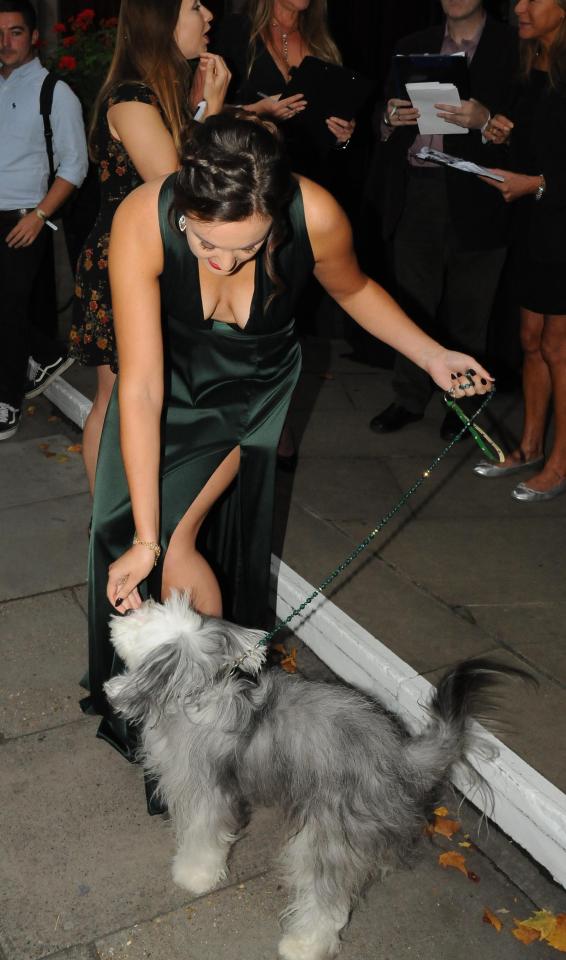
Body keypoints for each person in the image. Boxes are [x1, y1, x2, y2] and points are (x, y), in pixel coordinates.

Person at [84, 111, 492, 772]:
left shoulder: (318, 215)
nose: (221, 261)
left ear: (275, 213)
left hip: (251, 393)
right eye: (205, 242)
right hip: (170, 378)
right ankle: (149, 697)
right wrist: (139, 537)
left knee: (177, 538)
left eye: (244, 248)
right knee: (118, 524)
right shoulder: (142, 219)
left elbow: (354, 288)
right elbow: (141, 388)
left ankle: (206, 730)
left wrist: (432, 355)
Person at [68, 0, 230, 493]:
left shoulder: (158, 96)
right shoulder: (132, 98)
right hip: (124, 263)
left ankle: (137, 510)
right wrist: (215, 111)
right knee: (118, 396)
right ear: (160, 20)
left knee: (145, 393)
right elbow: (178, 187)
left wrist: (204, 108)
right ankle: (108, 524)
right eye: (195, 7)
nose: (208, 18)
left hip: (153, 261)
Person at [368, 0, 518, 441]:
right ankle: (409, 397)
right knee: (412, 302)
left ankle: (465, 404)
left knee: (472, 309)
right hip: (419, 188)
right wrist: (389, 120)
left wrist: (485, 118)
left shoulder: (512, 47)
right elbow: (384, 111)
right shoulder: (413, 44)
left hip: (480, 193)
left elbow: (532, 127)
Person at [474, 0, 566, 501]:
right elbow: (535, 148)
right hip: (536, 223)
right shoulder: (532, 63)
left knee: (558, 346)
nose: (519, 7)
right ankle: (530, 446)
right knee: (530, 338)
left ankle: (560, 463)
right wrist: (500, 133)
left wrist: (535, 183)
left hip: (560, 222)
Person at [0, 0, 88, 439]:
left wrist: (39, 216)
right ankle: (45, 352)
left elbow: (75, 165)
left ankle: (6, 400)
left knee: (8, 305)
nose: (5, 42)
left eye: (15, 32)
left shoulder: (55, 91)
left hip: (25, 216)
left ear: (34, 36)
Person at [214, 0, 355, 177]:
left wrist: (342, 137)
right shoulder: (237, 30)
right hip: (250, 175)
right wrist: (257, 111)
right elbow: (207, 111)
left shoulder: (326, 39)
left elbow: (338, 142)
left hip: (312, 178)